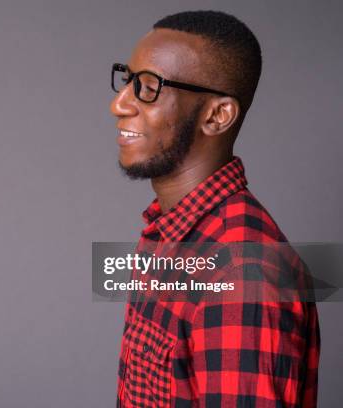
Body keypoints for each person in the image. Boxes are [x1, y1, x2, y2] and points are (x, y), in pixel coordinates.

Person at [109, 10, 320, 407]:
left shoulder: (243, 272)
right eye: (127, 81)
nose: (119, 105)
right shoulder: (169, 234)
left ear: (217, 115)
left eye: (149, 87)